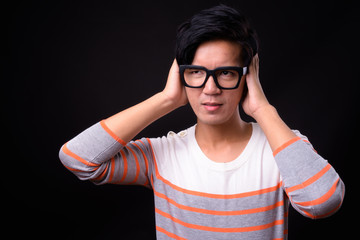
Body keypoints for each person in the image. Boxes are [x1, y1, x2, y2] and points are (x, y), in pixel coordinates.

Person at [59, 5, 345, 239]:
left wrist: (263, 108)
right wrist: (166, 99)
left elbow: (323, 202)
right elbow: (77, 159)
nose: (210, 89)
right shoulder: (161, 154)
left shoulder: (282, 147)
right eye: (196, 72)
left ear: (247, 77)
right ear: (181, 74)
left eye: (226, 73)